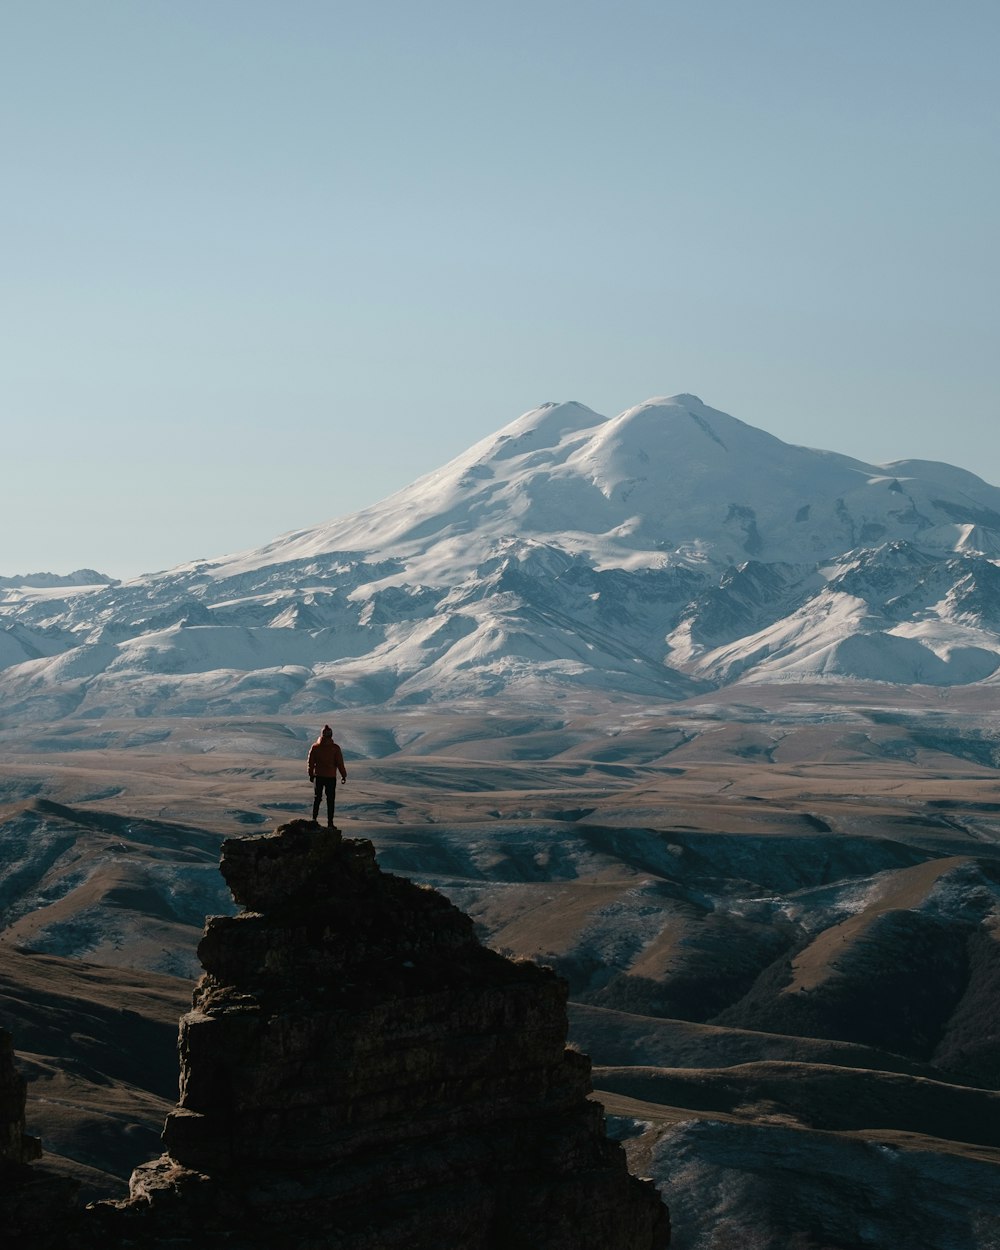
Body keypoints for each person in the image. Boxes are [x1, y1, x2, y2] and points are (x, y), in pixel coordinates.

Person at [307, 724, 347, 828]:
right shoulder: (335, 748)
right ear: (331, 735)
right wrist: (343, 775)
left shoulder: (315, 747)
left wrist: (311, 774)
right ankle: (330, 823)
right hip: (331, 777)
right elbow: (340, 763)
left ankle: (314, 819)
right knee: (330, 800)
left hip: (318, 776)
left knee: (317, 798)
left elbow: (310, 763)